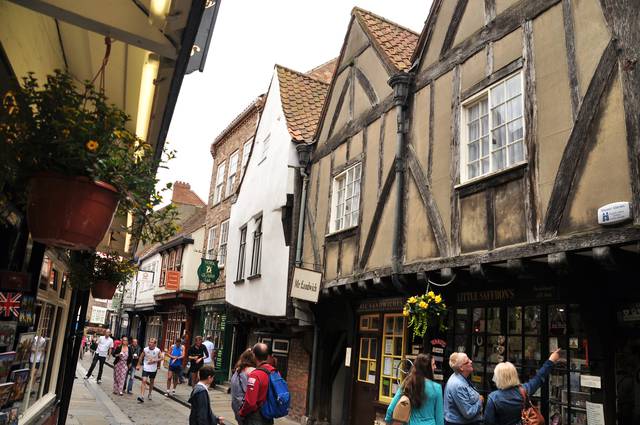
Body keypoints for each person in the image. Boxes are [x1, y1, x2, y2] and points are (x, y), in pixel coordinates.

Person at [484, 349, 562, 425]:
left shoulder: (493, 398)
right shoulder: (524, 390)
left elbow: (488, 422)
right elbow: (539, 377)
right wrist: (551, 360)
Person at [385, 353, 444, 425]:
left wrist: (388, 420)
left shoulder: (408, 383)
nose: (435, 367)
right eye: (433, 364)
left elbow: (391, 408)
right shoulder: (437, 388)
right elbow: (439, 417)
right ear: (426, 368)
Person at [239, 343, 276, 425]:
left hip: (256, 417)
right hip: (269, 414)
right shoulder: (274, 372)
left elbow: (250, 403)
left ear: (254, 355)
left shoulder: (255, 375)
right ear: (267, 356)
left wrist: (242, 412)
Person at [444, 352, 483, 425]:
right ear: (461, 368)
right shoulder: (458, 385)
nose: (471, 361)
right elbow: (468, 413)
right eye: (467, 361)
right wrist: (479, 401)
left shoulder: (460, 377)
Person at [231, 349, 257, 425]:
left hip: (236, 405)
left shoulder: (237, 370)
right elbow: (249, 392)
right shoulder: (248, 372)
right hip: (243, 408)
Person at [136, 337, 163, 403]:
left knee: (151, 381)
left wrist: (155, 360)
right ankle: (142, 396)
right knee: (144, 380)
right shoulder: (145, 349)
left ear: (155, 344)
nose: (149, 343)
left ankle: (150, 393)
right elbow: (141, 357)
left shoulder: (157, 350)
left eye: (151, 342)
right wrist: (138, 365)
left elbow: (162, 357)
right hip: (146, 367)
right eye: (149, 342)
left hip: (153, 368)